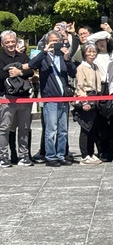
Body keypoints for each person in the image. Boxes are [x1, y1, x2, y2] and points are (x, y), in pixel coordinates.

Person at [29, 30, 77, 167]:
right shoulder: (43, 56)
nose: (55, 43)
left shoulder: (63, 56)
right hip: (50, 97)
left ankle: (61, 154)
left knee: (63, 130)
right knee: (51, 130)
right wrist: (45, 51)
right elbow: (32, 65)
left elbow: (73, 73)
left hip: (63, 98)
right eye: (52, 40)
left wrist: (67, 58)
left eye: (57, 40)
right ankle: (50, 156)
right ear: (46, 41)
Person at [0, 30, 34, 167]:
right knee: (4, 128)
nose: (10, 44)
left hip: (24, 97)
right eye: (7, 42)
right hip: (6, 98)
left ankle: (24, 155)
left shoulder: (23, 56)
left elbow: (31, 70)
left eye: (12, 41)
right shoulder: (0, 58)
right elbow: (1, 75)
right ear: (2, 44)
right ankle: (3, 156)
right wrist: (14, 73)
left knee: (24, 128)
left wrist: (19, 72)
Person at [74, 43, 104, 165]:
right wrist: (83, 102)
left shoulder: (95, 66)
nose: (92, 54)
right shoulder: (81, 68)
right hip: (87, 97)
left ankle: (91, 153)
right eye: (89, 52)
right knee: (86, 128)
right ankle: (85, 154)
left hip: (96, 98)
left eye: (94, 52)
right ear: (84, 53)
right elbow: (79, 86)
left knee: (93, 129)